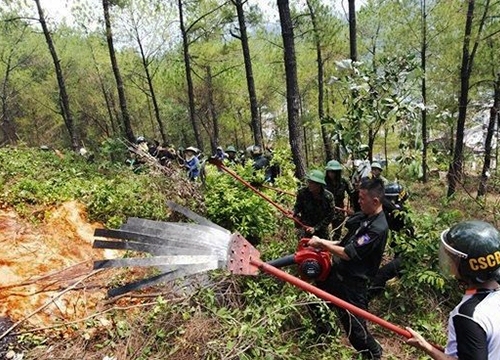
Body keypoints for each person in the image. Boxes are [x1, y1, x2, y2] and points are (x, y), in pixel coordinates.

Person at [307, 178, 388, 359]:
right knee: (313, 299)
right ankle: (325, 333)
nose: (358, 201)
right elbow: (343, 244)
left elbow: (348, 253)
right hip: (338, 275)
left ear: (375, 201)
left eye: (361, 198)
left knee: (356, 332)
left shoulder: (378, 228)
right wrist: (323, 245)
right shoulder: (365, 218)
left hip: (354, 285)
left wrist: (322, 243)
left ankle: (374, 353)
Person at [406, 220, 500, 359]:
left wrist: (425, 346)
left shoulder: (468, 315)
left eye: (453, 259)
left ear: (467, 267)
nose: (450, 262)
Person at [369, 182, 414, 298]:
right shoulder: (389, 213)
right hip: (400, 254)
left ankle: (369, 297)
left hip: (407, 256)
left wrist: (380, 198)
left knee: (381, 275)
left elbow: (392, 208)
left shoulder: (401, 213)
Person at [293, 170, 336, 240]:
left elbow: (330, 215)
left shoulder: (328, 196)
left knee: (323, 248)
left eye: (312, 183)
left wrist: (316, 228)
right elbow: (297, 206)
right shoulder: (302, 193)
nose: (309, 184)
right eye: (309, 182)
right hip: (305, 227)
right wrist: (294, 213)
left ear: (319, 184)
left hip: (321, 229)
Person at [325, 160, 355, 239]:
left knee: (337, 232)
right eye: (329, 172)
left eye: (333, 172)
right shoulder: (324, 182)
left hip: (339, 209)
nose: (331, 174)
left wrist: (351, 207)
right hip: (325, 209)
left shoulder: (344, 181)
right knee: (323, 231)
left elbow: (352, 194)